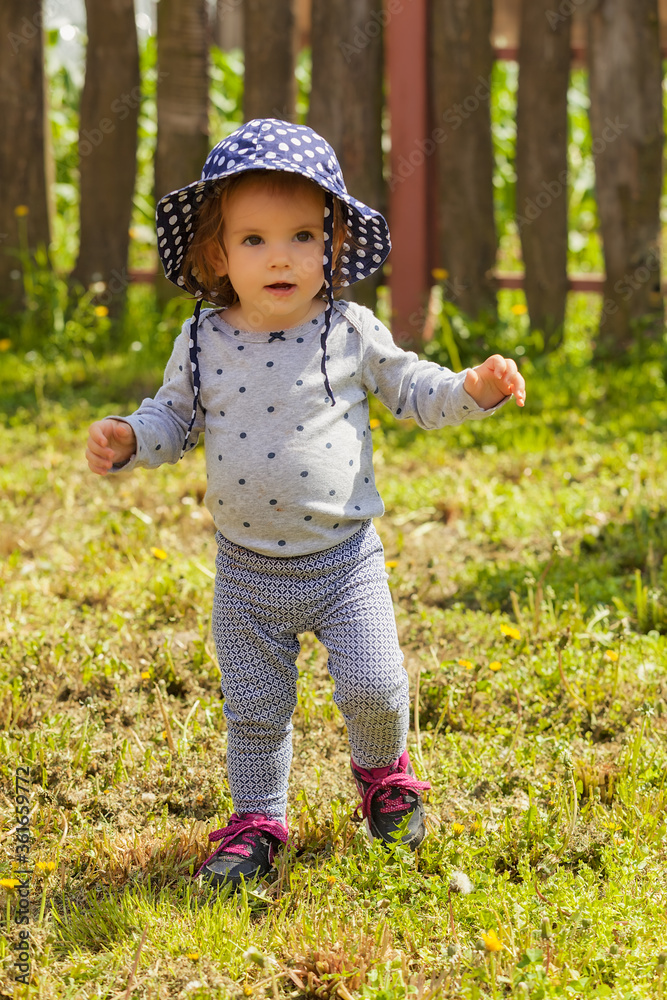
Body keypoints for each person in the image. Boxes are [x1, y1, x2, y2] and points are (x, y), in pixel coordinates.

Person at [86, 118, 525, 889]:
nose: (280, 255)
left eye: (300, 235)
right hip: (246, 570)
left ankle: (384, 775)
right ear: (217, 255)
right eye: (253, 240)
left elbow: (413, 390)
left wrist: (471, 389)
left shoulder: (349, 330)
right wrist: (130, 435)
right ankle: (257, 820)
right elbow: (173, 418)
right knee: (254, 710)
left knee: (374, 686)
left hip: (344, 561)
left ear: (332, 244)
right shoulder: (201, 340)